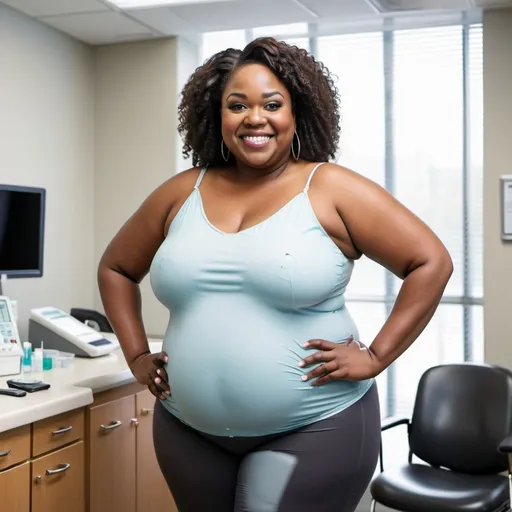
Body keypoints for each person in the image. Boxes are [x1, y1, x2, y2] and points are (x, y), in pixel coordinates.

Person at [97, 37, 453, 512]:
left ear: (296, 112)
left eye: (272, 103)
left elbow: (430, 261)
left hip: (316, 426)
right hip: (187, 429)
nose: (254, 118)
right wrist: (137, 354)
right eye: (237, 105)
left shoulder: (329, 187)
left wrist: (376, 355)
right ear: (216, 114)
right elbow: (116, 267)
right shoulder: (182, 192)